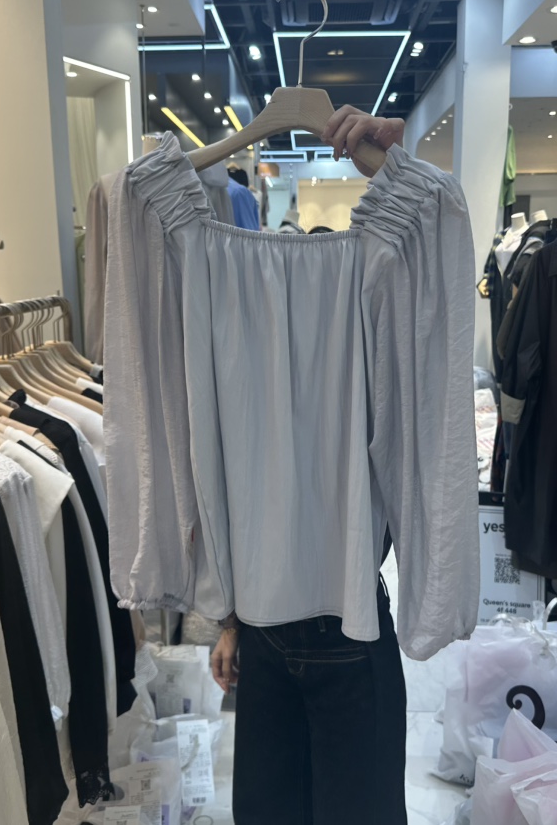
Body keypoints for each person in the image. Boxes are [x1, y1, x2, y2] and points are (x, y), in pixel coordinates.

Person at [210, 106, 409, 825]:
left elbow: (223, 485)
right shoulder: (372, 329)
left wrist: (230, 616)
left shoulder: (231, 325)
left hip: (272, 622)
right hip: (337, 620)